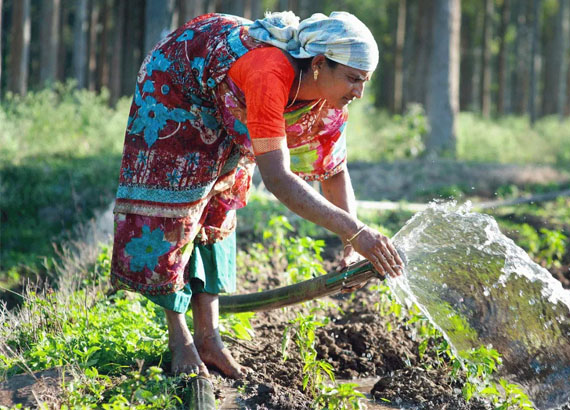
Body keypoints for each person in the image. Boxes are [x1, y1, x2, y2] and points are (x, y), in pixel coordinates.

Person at [110, 10, 404, 380]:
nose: (358, 93)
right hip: (178, 83)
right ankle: (180, 339)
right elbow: (279, 180)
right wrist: (356, 232)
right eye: (352, 79)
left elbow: (333, 168)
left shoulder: (330, 101)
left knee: (221, 205)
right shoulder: (270, 73)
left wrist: (350, 240)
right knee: (176, 207)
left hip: (229, 96)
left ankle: (209, 337)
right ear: (318, 64)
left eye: (365, 82)